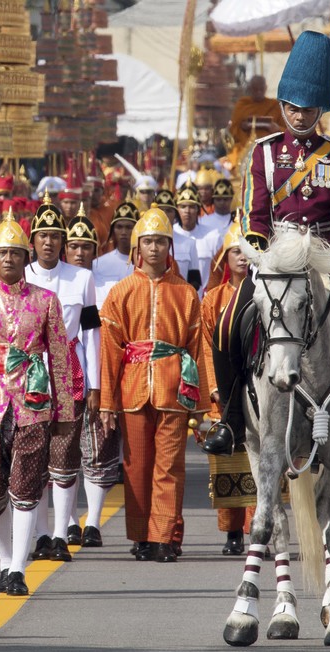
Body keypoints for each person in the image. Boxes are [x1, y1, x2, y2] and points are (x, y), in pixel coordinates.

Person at [204, 30, 330, 455]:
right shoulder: (262, 153)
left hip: (327, 262)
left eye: (306, 108)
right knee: (226, 325)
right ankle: (231, 420)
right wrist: (258, 253)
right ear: (283, 106)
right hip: (276, 260)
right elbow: (254, 215)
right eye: (292, 107)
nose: (297, 115)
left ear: (320, 108)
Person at [0, 212, 75, 597]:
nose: (9, 259)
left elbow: (60, 357)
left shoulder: (46, 301)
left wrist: (65, 410)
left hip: (32, 402)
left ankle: (19, 569)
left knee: (25, 484)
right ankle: (5, 560)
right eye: (2, 253)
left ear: (26, 257)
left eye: (15, 253)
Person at [99, 206, 208, 562]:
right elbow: (109, 352)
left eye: (162, 242)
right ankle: (141, 534)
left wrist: (203, 404)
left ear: (170, 248)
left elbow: (197, 350)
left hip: (173, 389)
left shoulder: (187, 293)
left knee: (169, 465)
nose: (155, 248)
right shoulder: (121, 292)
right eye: (148, 241)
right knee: (136, 466)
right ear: (137, 247)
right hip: (132, 389)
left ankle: (164, 537)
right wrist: (106, 404)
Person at [25, 199, 101, 560]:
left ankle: (59, 533)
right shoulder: (22, 277)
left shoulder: (82, 278)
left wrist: (95, 384)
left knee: (65, 457)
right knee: (33, 457)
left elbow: (92, 335)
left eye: (56, 236)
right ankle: (39, 534)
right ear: (33, 240)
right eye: (43, 236)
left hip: (69, 371)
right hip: (29, 375)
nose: (49, 243)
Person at [64, 207, 119, 547]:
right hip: (60, 379)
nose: (80, 252)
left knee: (98, 450)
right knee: (63, 451)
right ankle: (69, 521)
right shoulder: (55, 281)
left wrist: (102, 384)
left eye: (86, 246)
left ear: (95, 250)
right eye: (74, 246)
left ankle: (94, 522)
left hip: (99, 375)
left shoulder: (110, 286)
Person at [199, 224, 253, 555]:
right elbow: (206, 346)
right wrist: (215, 385)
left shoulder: (266, 291)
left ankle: (257, 527)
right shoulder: (213, 300)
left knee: (260, 460)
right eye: (236, 251)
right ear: (225, 258)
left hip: (259, 385)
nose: (243, 257)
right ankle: (232, 531)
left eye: (248, 252)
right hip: (225, 391)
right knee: (228, 460)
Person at [227, 75, 285, 167]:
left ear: (265, 88)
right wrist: (242, 127)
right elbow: (232, 131)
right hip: (246, 148)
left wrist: (277, 128)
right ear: (250, 89)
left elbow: (287, 131)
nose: (258, 92)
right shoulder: (242, 104)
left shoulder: (274, 105)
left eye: (261, 89)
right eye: (255, 89)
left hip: (271, 148)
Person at [91, 201, 136, 308]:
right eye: (119, 227)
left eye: (129, 227)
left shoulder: (146, 263)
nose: (124, 232)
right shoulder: (99, 264)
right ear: (112, 230)